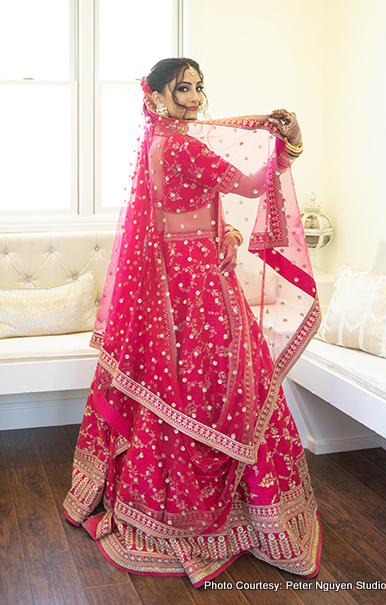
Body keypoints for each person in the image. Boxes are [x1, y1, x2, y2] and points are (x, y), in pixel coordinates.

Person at [63, 57, 322, 587]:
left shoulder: (161, 142)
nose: (196, 97)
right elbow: (250, 186)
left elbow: (183, 217)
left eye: (200, 87)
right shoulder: (181, 144)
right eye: (184, 88)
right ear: (158, 95)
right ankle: (234, 518)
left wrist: (222, 236)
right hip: (200, 287)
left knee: (184, 383)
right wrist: (288, 148)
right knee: (225, 385)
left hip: (179, 280)